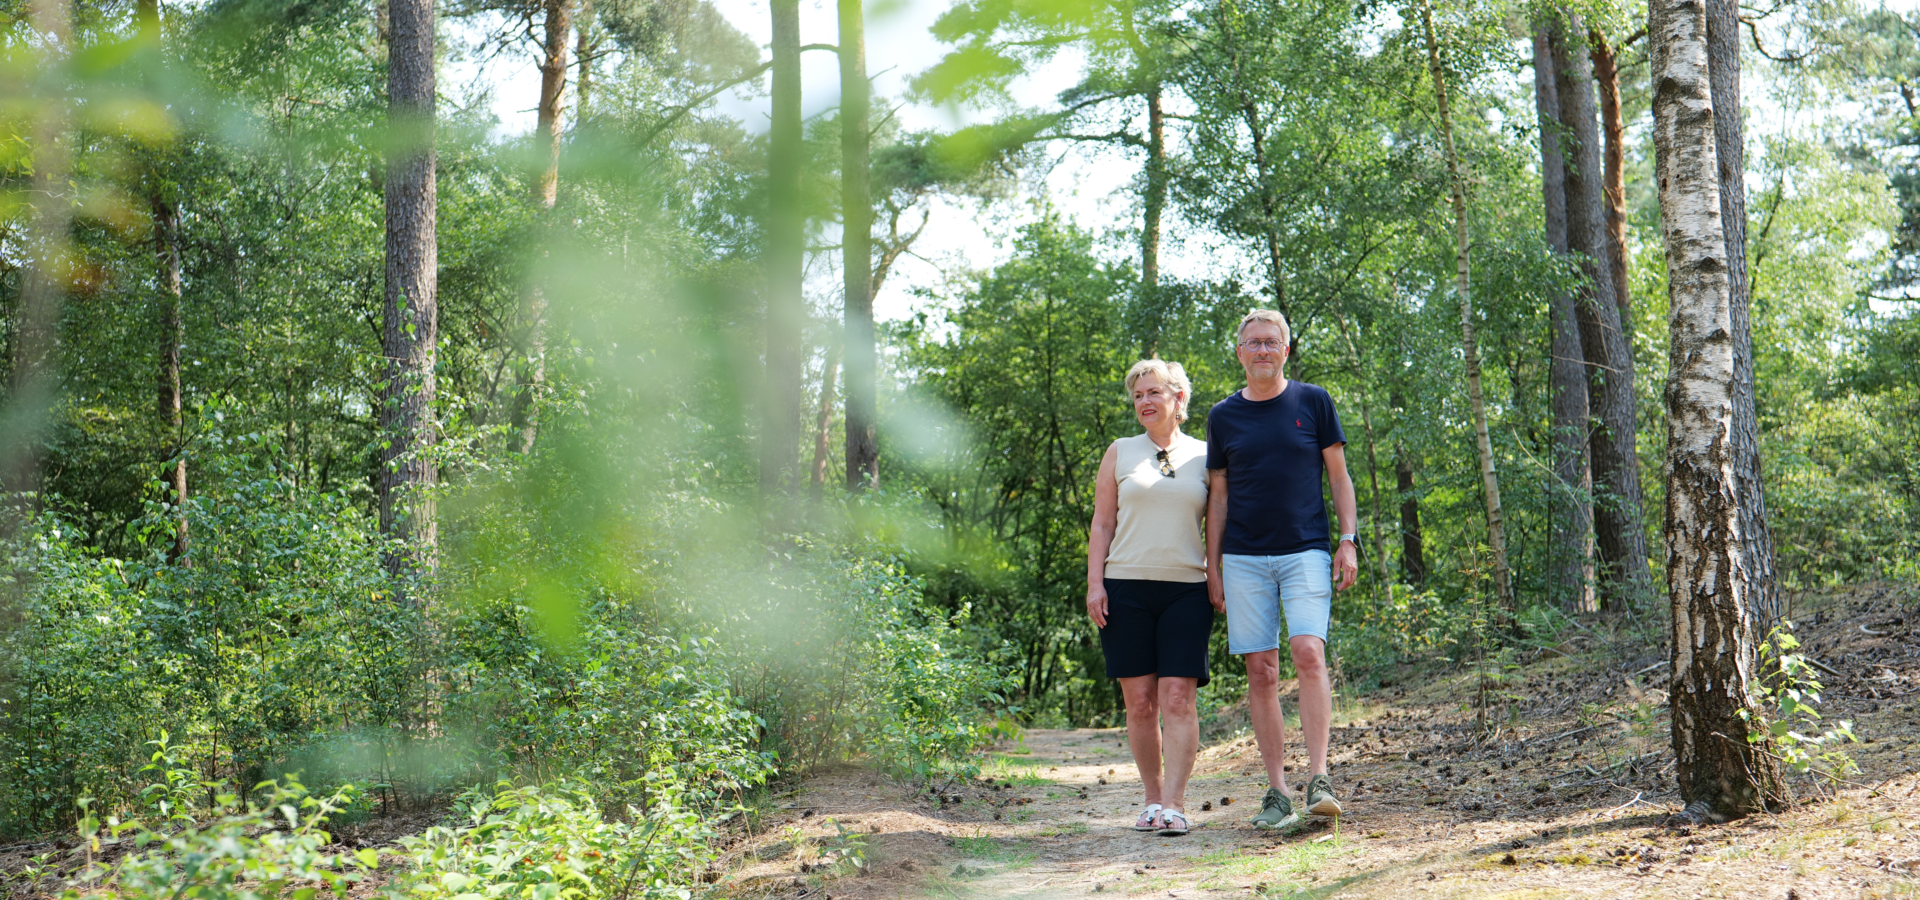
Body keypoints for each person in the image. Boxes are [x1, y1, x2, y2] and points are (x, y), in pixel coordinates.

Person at [1205, 309, 1360, 830]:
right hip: (1244, 557)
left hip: (1307, 550)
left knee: (1308, 653)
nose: (1263, 350)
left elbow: (1339, 477)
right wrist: (1214, 566)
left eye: (1273, 342)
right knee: (1262, 670)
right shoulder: (1223, 416)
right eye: (1254, 343)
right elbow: (1219, 498)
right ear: (1240, 352)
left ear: (1286, 350)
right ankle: (1277, 792)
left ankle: (1320, 778)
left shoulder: (1313, 401)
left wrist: (1347, 540)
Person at [1086, 359, 1213, 837]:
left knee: (1177, 698)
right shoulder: (1119, 452)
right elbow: (1102, 524)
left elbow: (1217, 522)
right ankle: (1152, 801)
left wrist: (1216, 577)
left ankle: (1177, 806)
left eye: (1153, 393)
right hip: (1126, 588)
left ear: (1177, 398)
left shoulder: (1206, 455)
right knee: (1140, 703)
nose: (1144, 402)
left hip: (1187, 590)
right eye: (1138, 395)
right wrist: (1095, 583)